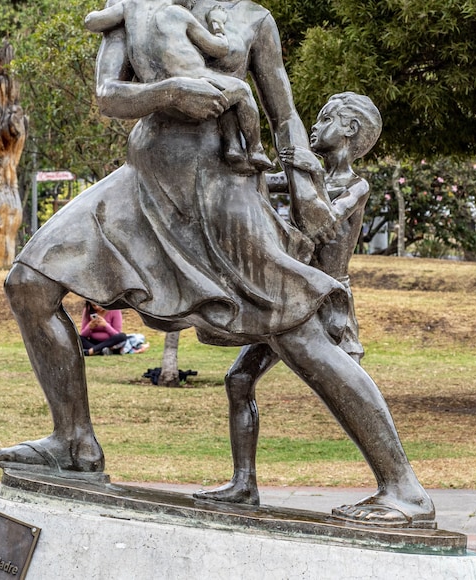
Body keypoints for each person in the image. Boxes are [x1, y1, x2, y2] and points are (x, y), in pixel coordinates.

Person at [0, 0, 434, 528]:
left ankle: (403, 488)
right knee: (28, 283)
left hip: (223, 194)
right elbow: (108, 95)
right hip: (141, 185)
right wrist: (167, 94)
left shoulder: (253, 20)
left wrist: (306, 189)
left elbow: (285, 117)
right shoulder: (132, 12)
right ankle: (73, 442)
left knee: (298, 335)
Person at [192, 92, 381, 507]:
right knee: (239, 379)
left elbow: (325, 223)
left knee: (342, 390)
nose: (314, 127)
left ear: (349, 130)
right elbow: (256, 184)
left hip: (323, 301)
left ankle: (394, 484)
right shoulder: (304, 178)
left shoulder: (356, 184)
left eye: (326, 119)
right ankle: (244, 484)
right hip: (290, 294)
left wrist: (305, 172)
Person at [84, 0, 273, 172]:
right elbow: (220, 48)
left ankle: (233, 148)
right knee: (241, 91)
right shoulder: (179, 14)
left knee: (224, 99)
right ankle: (255, 149)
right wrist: (217, 23)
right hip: (196, 83)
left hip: (165, 96)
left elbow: (92, 21)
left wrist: (99, 18)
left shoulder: (129, 5)